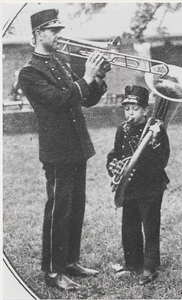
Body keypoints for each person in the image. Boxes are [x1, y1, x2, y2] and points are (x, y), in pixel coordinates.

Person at [19, 9, 110, 291]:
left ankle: (70, 262)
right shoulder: (30, 72)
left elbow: (85, 100)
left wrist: (96, 78)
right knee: (58, 209)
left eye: (60, 30)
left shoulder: (59, 62)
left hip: (77, 146)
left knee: (75, 207)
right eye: (54, 31)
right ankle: (52, 271)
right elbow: (60, 100)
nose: (60, 35)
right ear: (38, 34)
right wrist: (86, 77)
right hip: (57, 151)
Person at [106, 85, 170, 284]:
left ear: (145, 110)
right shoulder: (122, 129)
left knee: (150, 225)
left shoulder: (156, 130)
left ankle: (150, 267)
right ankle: (133, 264)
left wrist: (156, 137)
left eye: (135, 108)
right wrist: (113, 166)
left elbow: (162, 159)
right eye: (127, 108)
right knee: (130, 225)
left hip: (151, 186)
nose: (130, 113)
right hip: (130, 186)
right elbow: (114, 154)